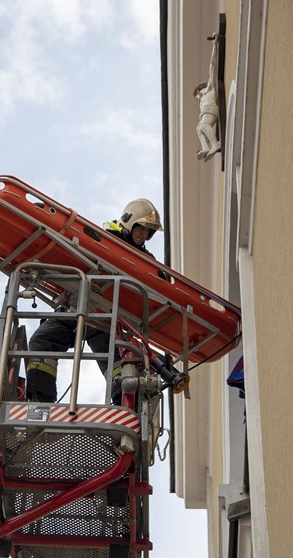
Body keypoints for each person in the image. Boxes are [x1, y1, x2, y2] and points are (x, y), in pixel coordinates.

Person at [25, 198, 163, 404]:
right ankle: (40, 401)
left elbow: (159, 281)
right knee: (41, 341)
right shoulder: (101, 238)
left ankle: (124, 405)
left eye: (148, 232)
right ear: (129, 222)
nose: (144, 234)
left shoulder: (146, 261)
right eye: (141, 228)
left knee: (119, 362)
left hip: (106, 317)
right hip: (74, 306)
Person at [194, 33, 221, 162]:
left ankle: (215, 144)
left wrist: (214, 45)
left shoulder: (210, 88)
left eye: (198, 93)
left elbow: (212, 66)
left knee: (204, 125)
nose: (198, 97)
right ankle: (206, 147)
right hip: (205, 112)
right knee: (199, 127)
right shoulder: (202, 99)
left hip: (211, 109)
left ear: (202, 88)